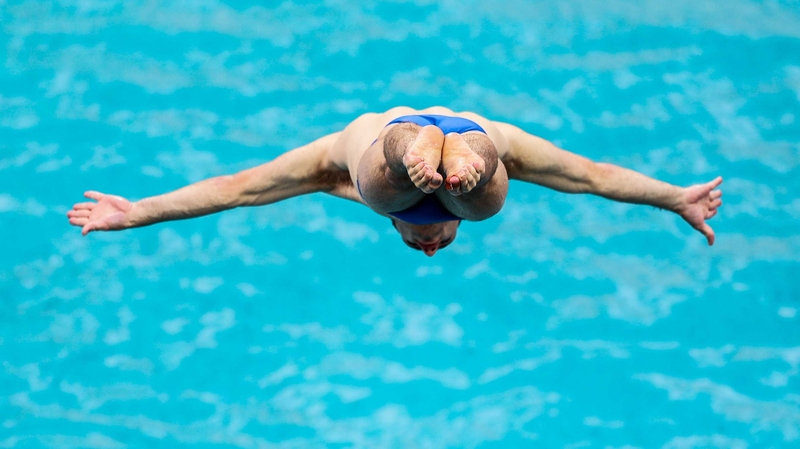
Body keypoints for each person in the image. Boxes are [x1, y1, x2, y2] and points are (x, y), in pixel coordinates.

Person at [67, 106, 723, 257]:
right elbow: (591, 178)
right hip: (477, 143)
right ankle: (461, 152)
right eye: (437, 240)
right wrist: (673, 198)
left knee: (376, 177)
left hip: (397, 141)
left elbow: (238, 189)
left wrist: (142, 211)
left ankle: (412, 146)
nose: (431, 245)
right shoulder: (473, 202)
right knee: (490, 192)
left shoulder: (345, 182)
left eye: (420, 240)